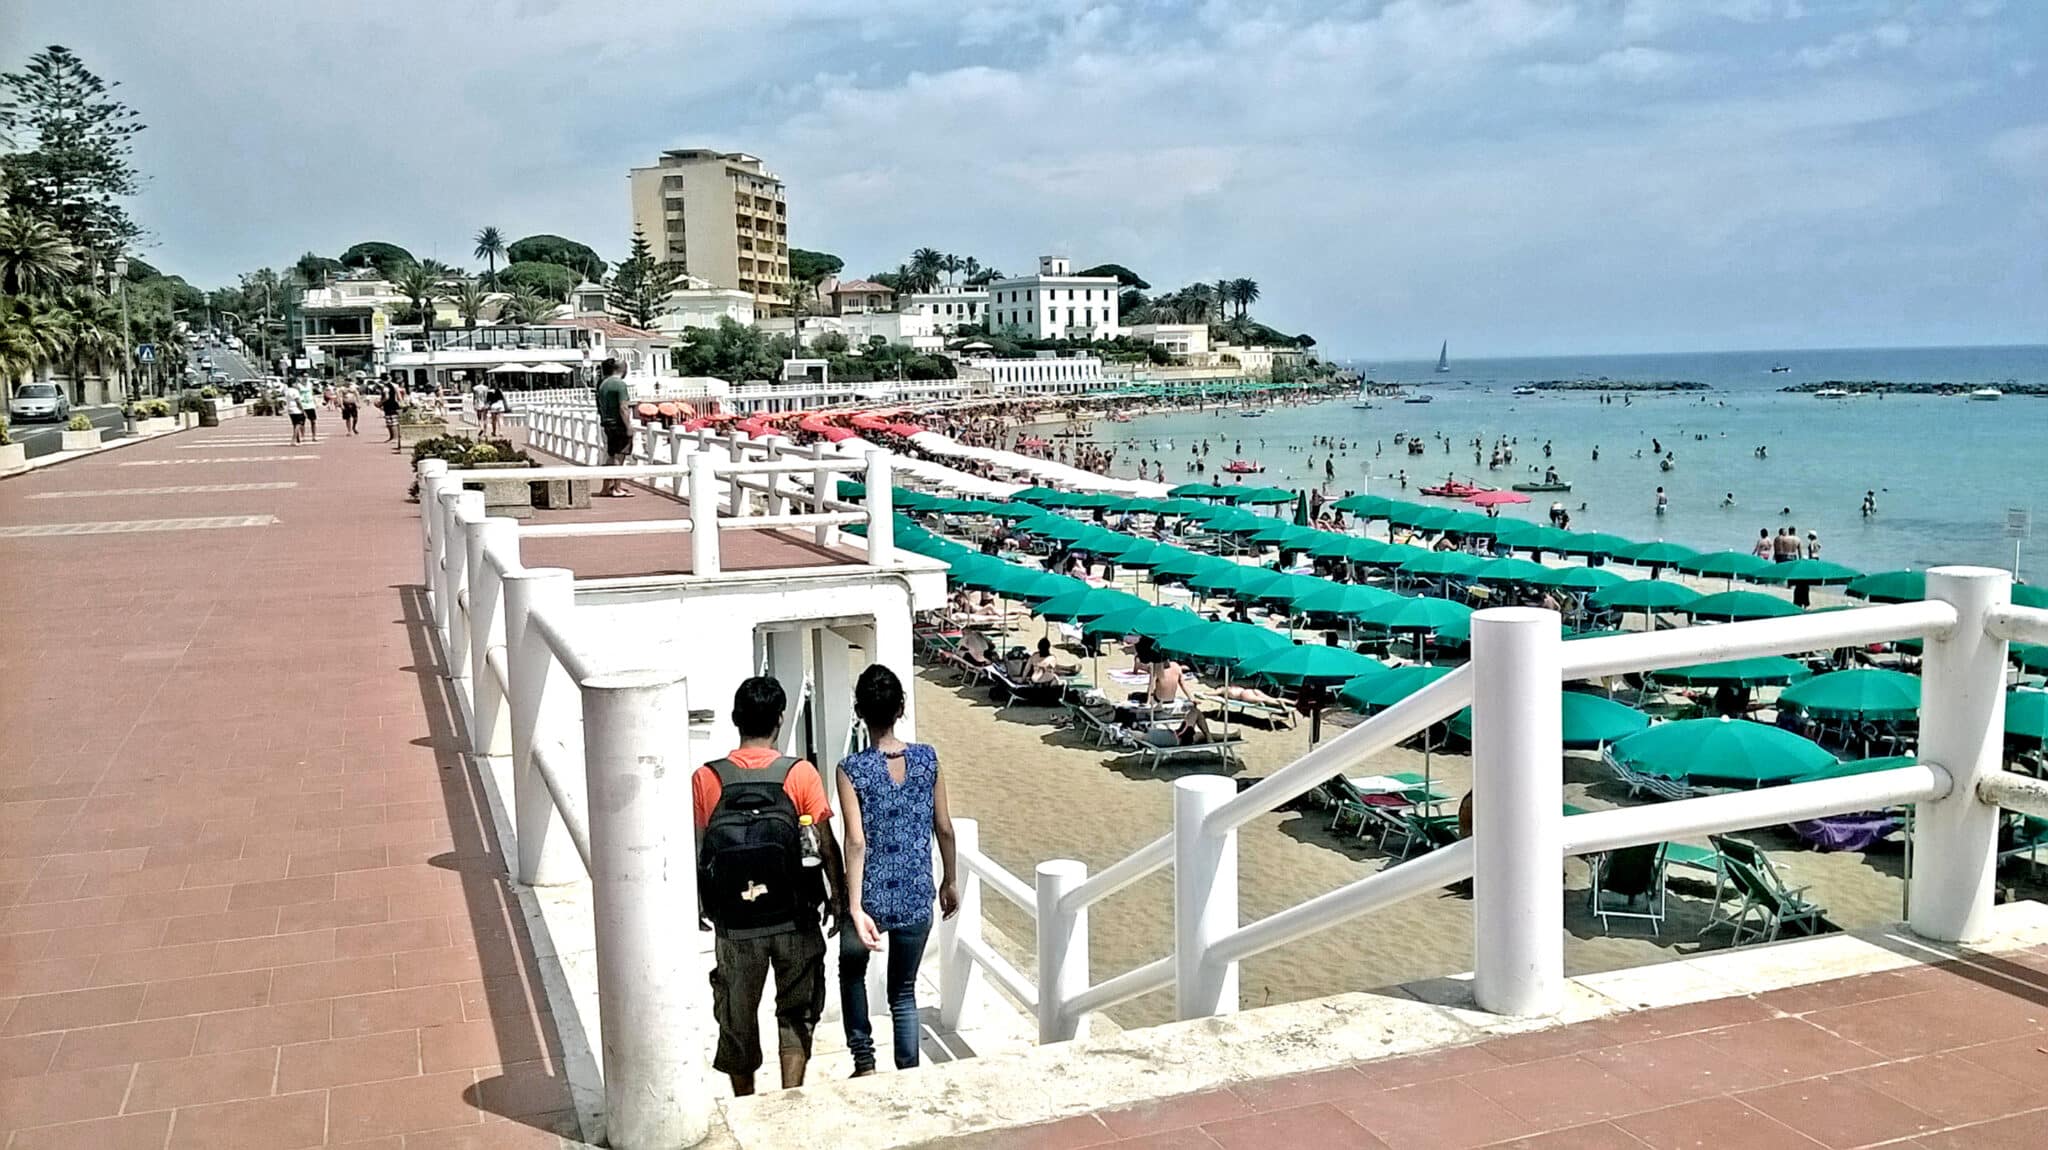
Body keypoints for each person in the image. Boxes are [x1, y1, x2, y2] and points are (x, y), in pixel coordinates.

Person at [694, 677, 841, 1096]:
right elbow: (826, 844)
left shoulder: (706, 779)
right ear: (779, 720)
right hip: (793, 917)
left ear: (736, 720)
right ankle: (790, 1098)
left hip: (735, 925)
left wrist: (698, 907)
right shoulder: (799, 773)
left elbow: (698, 849)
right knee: (796, 1011)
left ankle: (746, 1104)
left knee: (737, 1017)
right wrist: (840, 901)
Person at [835, 666, 959, 1076]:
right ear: (900, 707)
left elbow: (855, 841)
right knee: (903, 992)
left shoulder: (851, 769)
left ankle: (864, 1061)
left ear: (860, 712)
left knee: (851, 972)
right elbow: (944, 827)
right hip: (914, 892)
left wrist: (853, 906)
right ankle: (908, 1073)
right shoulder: (927, 760)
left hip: (868, 894)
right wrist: (950, 880)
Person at [595, 357, 635, 497]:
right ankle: (617, 488)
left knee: (610, 455)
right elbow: (623, 407)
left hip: (607, 423)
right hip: (618, 424)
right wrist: (628, 426)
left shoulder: (603, 384)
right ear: (623, 369)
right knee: (620, 455)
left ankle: (606, 487)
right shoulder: (620, 384)